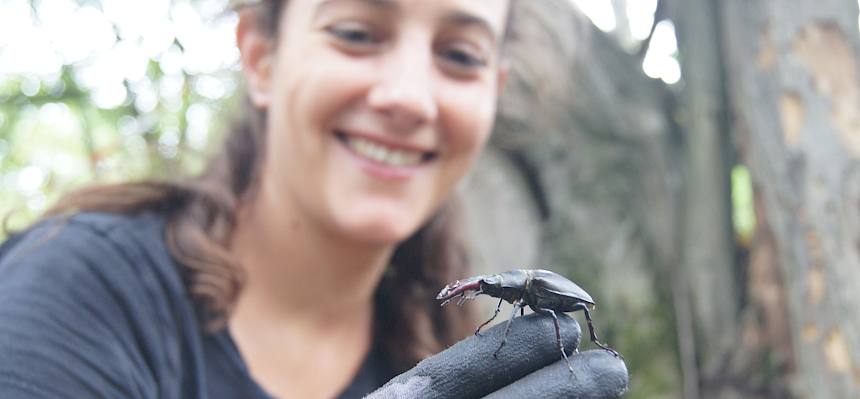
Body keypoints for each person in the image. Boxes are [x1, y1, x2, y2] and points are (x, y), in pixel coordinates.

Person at [0, 0, 628, 397]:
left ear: (494, 93)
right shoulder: (73, 290)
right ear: (261, 56)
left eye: (460, 55)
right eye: (357, 32)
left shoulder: (437, 337)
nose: (408, 96)